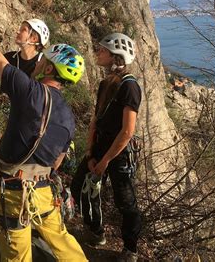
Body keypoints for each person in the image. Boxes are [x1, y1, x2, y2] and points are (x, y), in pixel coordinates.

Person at [0, 0, 87, 261]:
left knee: (16, 256)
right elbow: (57, 160)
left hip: (14, 190)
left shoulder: (30, 92)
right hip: (43, 191)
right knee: (63, 243)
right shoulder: (68, 117)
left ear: (47, 66)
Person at [71, 33, 142, 262]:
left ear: (115, 56)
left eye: (102, 50)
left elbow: (127, 131)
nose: (98, 53)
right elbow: (96, 119)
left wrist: (105, 161)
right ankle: (96, 231)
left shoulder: (129, 87)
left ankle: (130, 249)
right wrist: (91, 152)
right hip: (101, 146)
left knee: (126, 202)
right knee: (78, 185)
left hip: (118, 154)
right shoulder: (105, 84)